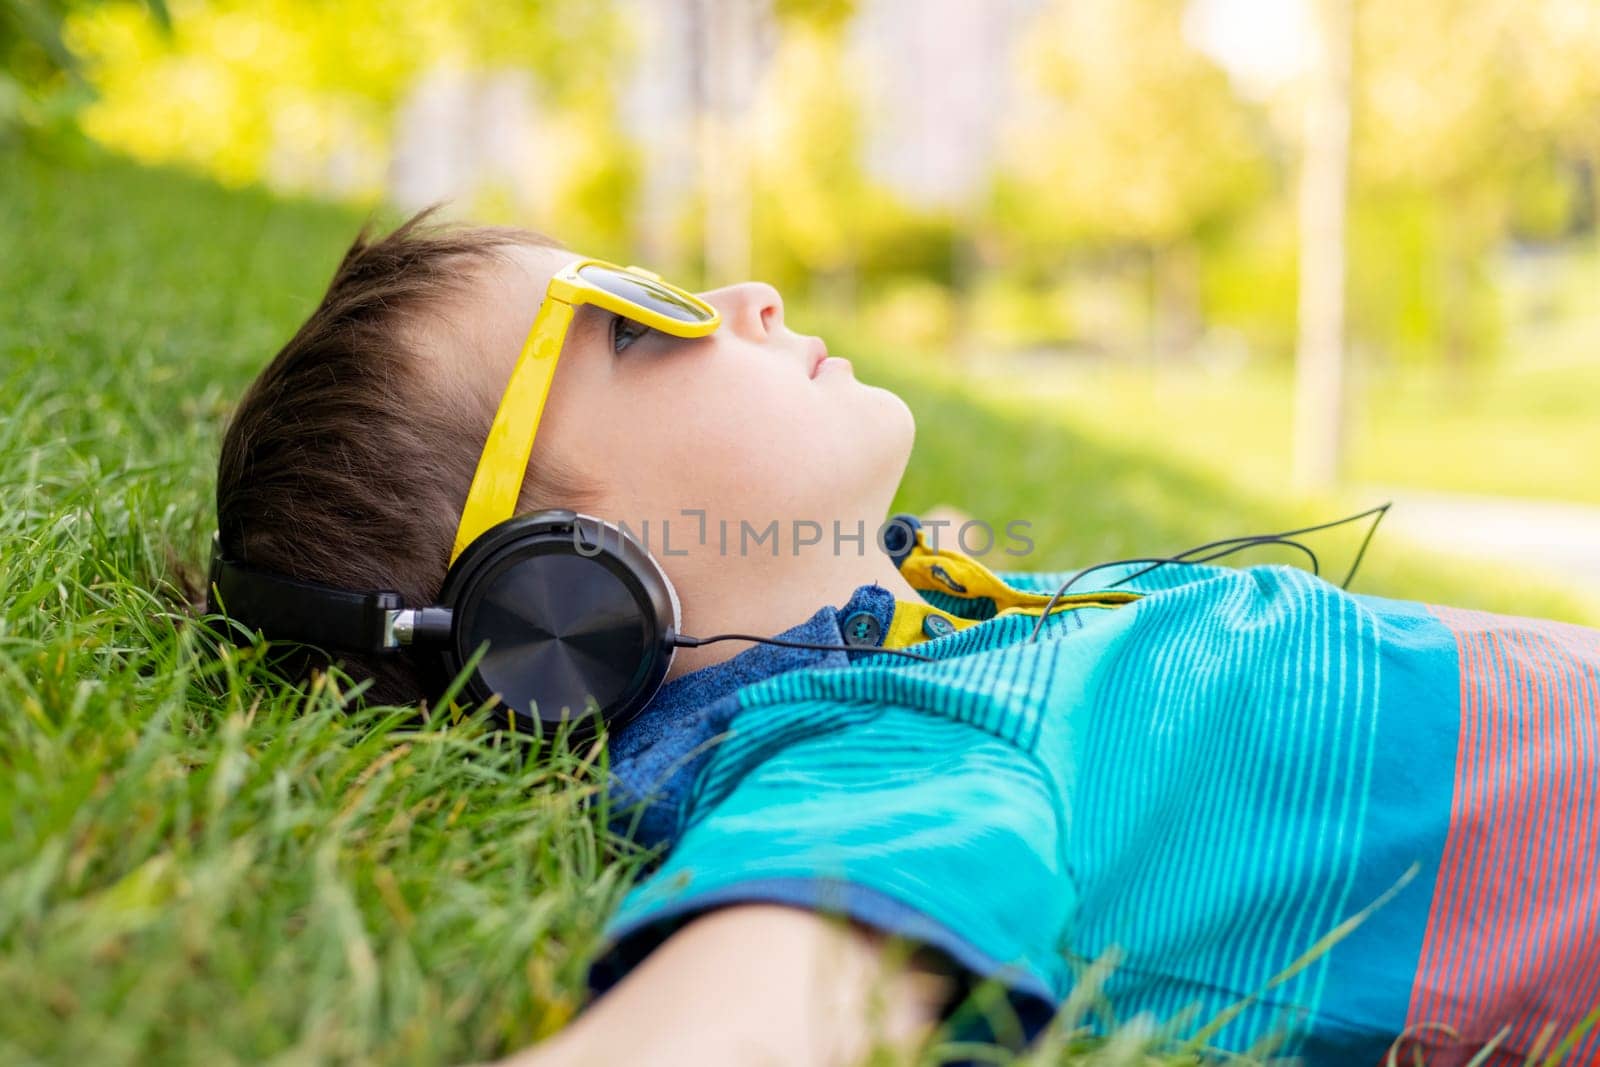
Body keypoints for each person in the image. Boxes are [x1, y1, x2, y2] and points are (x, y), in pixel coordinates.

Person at [209, 212, 1600, 1067]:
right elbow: (765, 997)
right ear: (554, 603)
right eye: (637, 327)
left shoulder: (892, 637)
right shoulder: (882, 754)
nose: (741, 297)